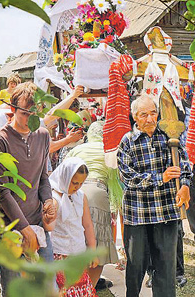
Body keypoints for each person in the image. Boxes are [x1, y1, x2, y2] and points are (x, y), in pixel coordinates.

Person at [0, 82, 57, 295]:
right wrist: (24, 229)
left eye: (36, 112)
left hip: (37, 222)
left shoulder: (43, 135)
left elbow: (43, 178)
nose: (31, 118)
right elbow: (3, 193)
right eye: (26, 113)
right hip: (9, 228)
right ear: (13, 109)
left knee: (48, 288)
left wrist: (48, 201)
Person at [117, 95, 191, 297]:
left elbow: (184, 165)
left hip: (166, 211)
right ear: (134, 117)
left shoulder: (169, 135)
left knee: (166, 266)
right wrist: (161, 178)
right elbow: (127, 177)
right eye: (144, 114)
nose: (150, 119)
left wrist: (185, 185)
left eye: (153, 113)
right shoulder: (127, 141)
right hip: (138, 214)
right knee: (136, 265)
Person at [66, 121, 122, 290]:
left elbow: (65, 173)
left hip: (75, 194)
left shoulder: (76, 149)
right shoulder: (109, 151)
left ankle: (77, 287)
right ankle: (89, 288)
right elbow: (115, 182)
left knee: (78, 241)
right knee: (98, 244)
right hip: (98, 193)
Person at [49, 157, 98, 297]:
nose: (77, 187)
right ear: (65, 177)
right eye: (74, 182)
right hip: (60, 254)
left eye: (81, 183)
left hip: (78, 252)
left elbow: (88, 225)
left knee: (80, 289)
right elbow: (49, 227)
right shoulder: (53, 198)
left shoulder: (81, 196)